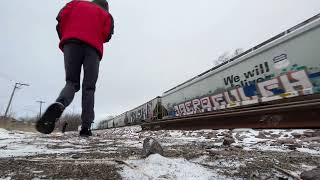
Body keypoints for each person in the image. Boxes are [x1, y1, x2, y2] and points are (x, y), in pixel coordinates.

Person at [36, 0, 114, 137]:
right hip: (93, 49)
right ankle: (85, 127)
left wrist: (66, 37)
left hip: (71, 43)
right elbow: (107, 35)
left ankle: (60, 103)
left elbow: (60, 18)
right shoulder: (106, 15)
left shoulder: (75, 3)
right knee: (89, 88)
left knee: (71, 82)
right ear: (105, 7)